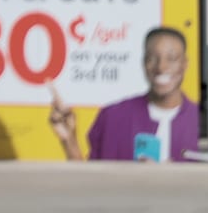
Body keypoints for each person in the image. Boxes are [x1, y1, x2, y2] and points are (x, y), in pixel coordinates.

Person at [49, 28, 198, 162]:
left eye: (171, 59)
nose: (161, 67)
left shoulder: (203, 123)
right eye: (152, 58)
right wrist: (70, 141)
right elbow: (89, 185)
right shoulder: (113, 117)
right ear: (144, 63)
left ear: (184, 64)